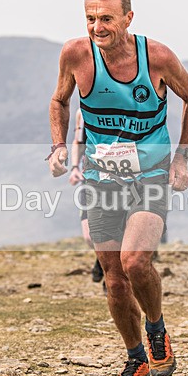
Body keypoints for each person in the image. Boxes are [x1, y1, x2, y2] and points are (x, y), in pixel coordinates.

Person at [47, 0, 188, 376]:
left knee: (135, 261)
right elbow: (60, 100)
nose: (97, 27)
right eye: (90, 18)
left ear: (128, 17)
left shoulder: (158, 58)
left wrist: (182, 158)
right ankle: (135, 357)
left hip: (150, 173)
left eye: (106, 18)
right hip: (101, 178)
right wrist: (58, 146)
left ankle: (156, 329)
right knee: (113, 275)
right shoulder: (76, 55)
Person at [68, 110, 105, 287]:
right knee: (90, 237)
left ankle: (113, 277)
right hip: (90, 177)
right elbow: (78, 141)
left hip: (119, 178)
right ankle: (102, 259)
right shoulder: (81, 113)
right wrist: (75, 167)